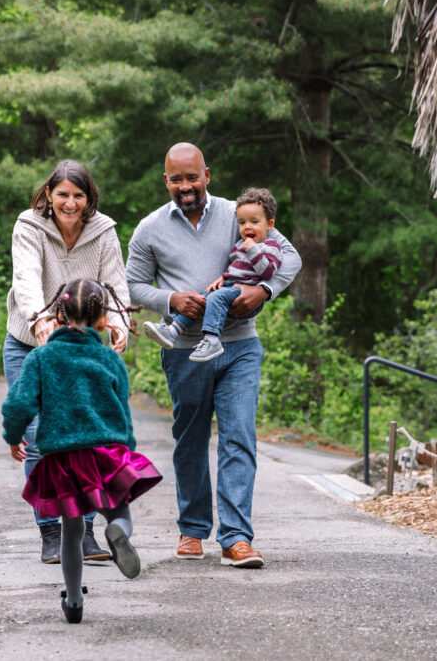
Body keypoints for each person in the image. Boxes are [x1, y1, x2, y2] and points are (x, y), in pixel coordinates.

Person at [125, 143, 301, 569]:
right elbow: (131, 285)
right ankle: (192, 529)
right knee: (190, 440)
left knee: (239, 436)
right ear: (165, 181)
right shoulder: (149, 229)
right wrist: (171, 299)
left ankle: (237, 539)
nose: (186, 186)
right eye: (176, 179)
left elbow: (290, 258)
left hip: (240, 346)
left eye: (192, 177)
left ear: (208, 174)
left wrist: (265, 290)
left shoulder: (240, 213)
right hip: (184, 351)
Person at [2, 279, 162, 624]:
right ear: (104, 321)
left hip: (62, 458)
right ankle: (118, 532)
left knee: (71, 531)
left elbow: (19, 404)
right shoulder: (109, 359)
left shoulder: (42, 357)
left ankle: (74, 601)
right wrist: (127, 452)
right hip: (105, 453)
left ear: (58, 317)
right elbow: (122, 412)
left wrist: (13, 436)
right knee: (120, 514)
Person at [4, 159, 130, 564]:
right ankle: (51, 533)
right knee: (43, 442)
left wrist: (119, 322)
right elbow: (25, 276)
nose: (70, 203)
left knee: (85, 440)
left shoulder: (103, 231)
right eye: (63, 195)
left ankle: (86, 531)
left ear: (88, 198)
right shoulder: (29, 225)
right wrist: (39, 319)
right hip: (31, 343)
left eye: (78, 195)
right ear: (49, 195)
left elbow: (115, 281)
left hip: (84, 348)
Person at [142, 187, 282, 362]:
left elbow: (268, 272)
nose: (247, 227)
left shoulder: (271, 246)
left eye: (254, 221)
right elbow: (236, 267)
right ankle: (172, 331)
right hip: (230, 285)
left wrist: (253, 250)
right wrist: (223, 277)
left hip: (245, 291)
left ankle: (212, 340)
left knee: (216, 299)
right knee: (199, 300)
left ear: (269, 224)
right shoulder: (241, 244)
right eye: (242, 222)